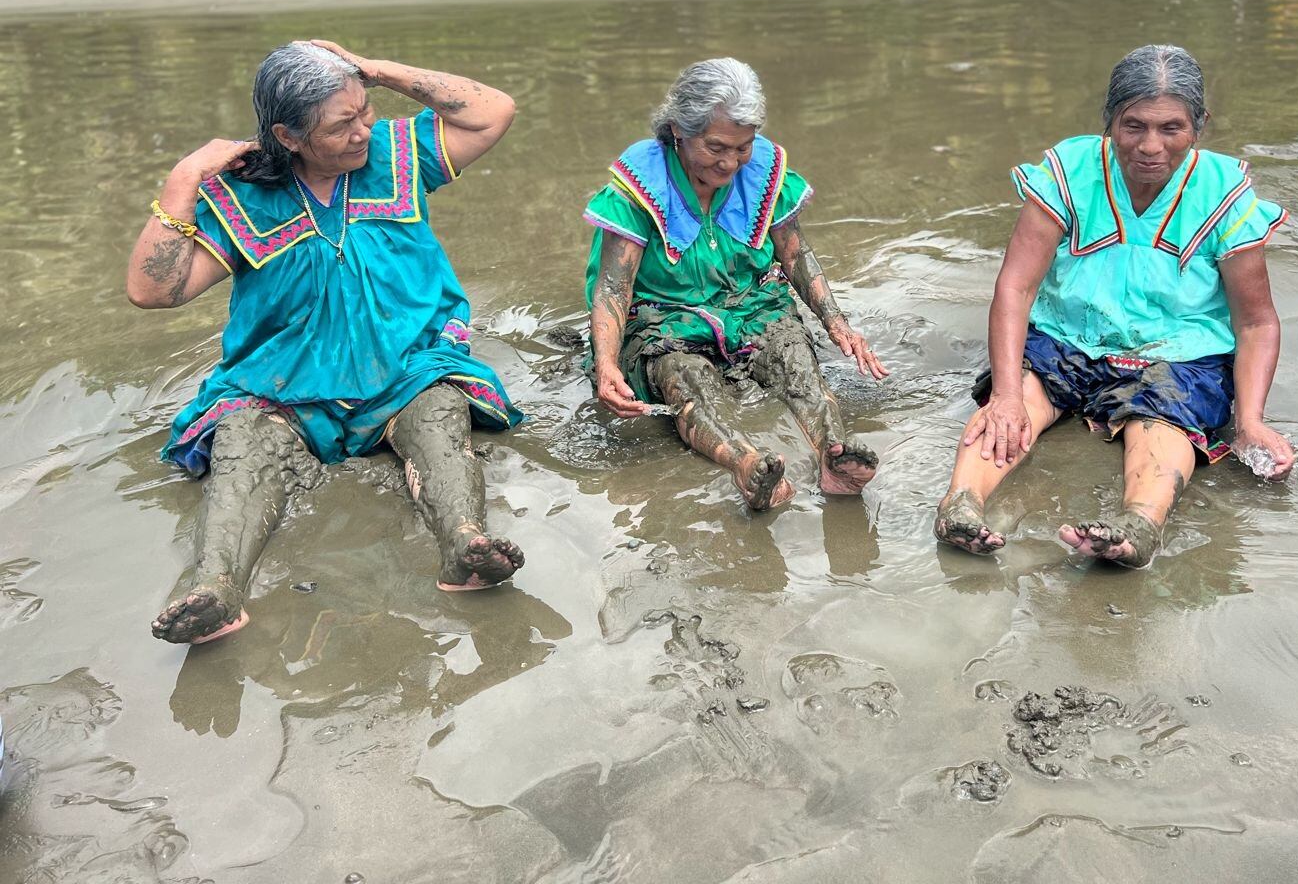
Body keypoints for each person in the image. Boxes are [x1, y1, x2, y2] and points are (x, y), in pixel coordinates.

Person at [128, 41, 523, 644]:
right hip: (285, 388)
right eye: (342, 125)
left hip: (404, 372)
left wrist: (376, 71)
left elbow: (493, 110)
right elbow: (153, 292)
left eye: (364, 112)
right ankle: (218, 589)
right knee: (242, 445)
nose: (363, 130)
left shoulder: (400, 153)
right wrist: (184, 180)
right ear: (287, 135)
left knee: (439, 413)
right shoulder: (243, 200)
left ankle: (465, 546)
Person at [934, 44, 1296, 567]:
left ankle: (1137, 528)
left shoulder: (1223, 192)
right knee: (1018, 405)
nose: (1151, 146)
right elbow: (1016, 288)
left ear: (1199, 126)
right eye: (1134, 126)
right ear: (1109, 122)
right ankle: (959, 505)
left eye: (1171, 128)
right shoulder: (1071, 171)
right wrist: (1007, 394)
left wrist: (1252, 420)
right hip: (1068, 334)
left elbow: (1257, 322)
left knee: (1164, 418)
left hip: (1179, 352)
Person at [584, 57, 887, 511]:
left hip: (752, 306)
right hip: (666, 318)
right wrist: (606, 364)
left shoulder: (762, 171)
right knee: (687, 379)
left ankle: (833, 455)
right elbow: (612, 287)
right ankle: (745, 464)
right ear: (679, 131)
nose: (731, 162)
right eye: (717, 147)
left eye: (743, 147)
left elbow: (794, 252)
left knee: (796, 363)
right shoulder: (640, 186)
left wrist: (836, 322)